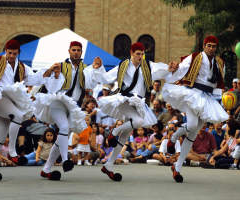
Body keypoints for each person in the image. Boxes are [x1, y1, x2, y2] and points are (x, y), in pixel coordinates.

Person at [0, 30, 54, 181]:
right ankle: (13, 151)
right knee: (18, 115)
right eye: (9, 53)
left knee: (0, 137)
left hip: (8, 102)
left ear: (18, 53)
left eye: (14, 53)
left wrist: (50, 70)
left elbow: (33, 78)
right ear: (5, 51)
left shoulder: (22, 67)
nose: (11, 56)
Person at [151, 35, 229, 182]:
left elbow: (218, 83)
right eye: (209, 45)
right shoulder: (195, 57)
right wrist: (173, 69)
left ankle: (177, 167)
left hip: (207, 97)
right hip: (193, 94)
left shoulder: (219, 62)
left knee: (193, 133)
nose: (211, 48)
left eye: (214, 46)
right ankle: (173, 137)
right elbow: (182, 68)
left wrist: (220, 98)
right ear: (204, 46)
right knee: (192, 125)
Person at [33, 41, 105, 180]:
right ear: (69, 51)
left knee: (63, 135)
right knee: (64, 127)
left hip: (73, 106)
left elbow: (91, 83)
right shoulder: (60, 66)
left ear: (81, 52)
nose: (76, 52)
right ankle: (66, 160)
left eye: (78, 50)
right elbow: (50, 86)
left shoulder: (85, 68)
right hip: (58, 102)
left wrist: (96, 68)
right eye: (74, 50)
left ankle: (46, 169)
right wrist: (54, 74)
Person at [94, 42, 157, 181]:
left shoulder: (147, 67)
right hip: (124, 100)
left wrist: (171, 69)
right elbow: (106, 78)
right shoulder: (123, 65)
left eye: (142, 54)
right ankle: (114, 132)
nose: (140, 57)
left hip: (138, 103)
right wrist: (99, 68)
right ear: (131, 53)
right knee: (139, 121)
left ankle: (108, 166)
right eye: (137, 54)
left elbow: (160, 70)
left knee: (125, 136)